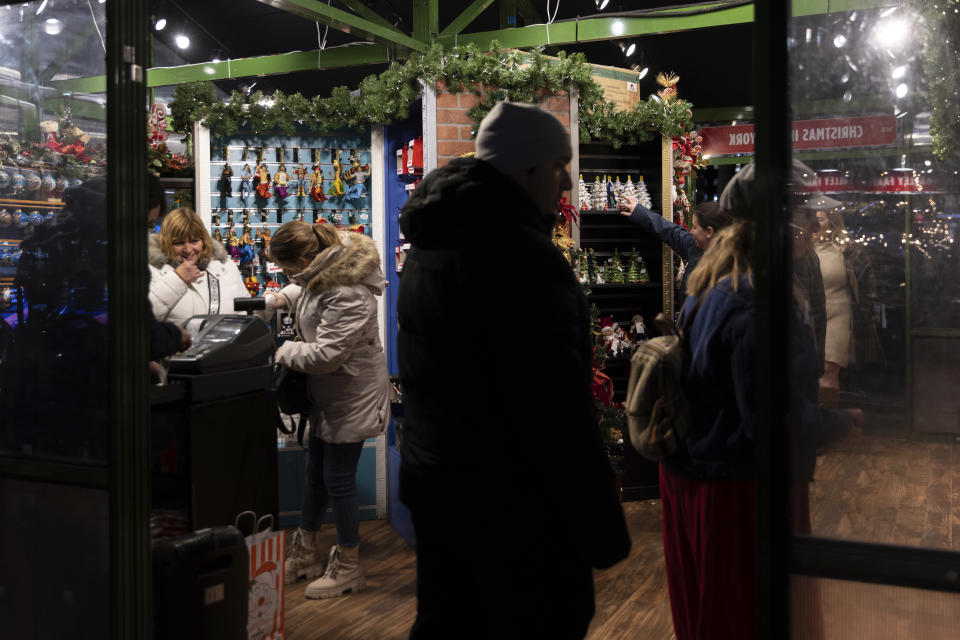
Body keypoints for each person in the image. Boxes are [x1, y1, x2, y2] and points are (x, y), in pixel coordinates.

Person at [397, 101, 630, 639]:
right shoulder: (514, 257)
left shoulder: (439, 239)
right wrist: (601, 529)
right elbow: (553, 411)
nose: (567, 182)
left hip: (447, 488)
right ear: (524, 170)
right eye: (557, 166)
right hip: (513, 511)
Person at [658, 219, 862, 640]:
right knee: (745, 614)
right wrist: (839, 424)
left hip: (700, 471)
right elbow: (769, 417)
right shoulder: (753, 301)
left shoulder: (712, 288)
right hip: (736, 482)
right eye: (794, 221)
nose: (804, 230)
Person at [267, 221, 391, 599]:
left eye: (290, 270)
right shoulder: (326, 271)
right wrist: (280, 298)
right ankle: (306, 552)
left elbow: (326, 355)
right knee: (317, 474)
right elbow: (309, 289)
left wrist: (280, 349)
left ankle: (349, 566)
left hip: (352, 394)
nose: (291, 276)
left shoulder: (348, 292)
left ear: (305, 258)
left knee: (337, 479)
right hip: (332, 393)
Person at [814, 209, 880, 407]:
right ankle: (813, 418)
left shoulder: (848, 250)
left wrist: (867, 311)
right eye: (812, 220)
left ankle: (827, 418)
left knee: (829, 368)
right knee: (808, 368)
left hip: (838, 313)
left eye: (820, 220)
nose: (815, 225)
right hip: (810, 315)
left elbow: (867, 285)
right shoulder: (801, 250)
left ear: (832, 222)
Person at [148, 207, 250, 325]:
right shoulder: (152, 271)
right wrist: (177, 278)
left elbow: (245, 315)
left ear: (204, 241)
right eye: (179, 243)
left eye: (194, 241)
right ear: (166, 243)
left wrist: (267, 305)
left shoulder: (226, 266)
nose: (188, 249)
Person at [618, 197, 733, 295]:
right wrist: (639, 211)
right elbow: (670, 230)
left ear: (709, 231)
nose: (691, 232)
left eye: (694, 227)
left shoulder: (731, 265)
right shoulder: (695, 246)